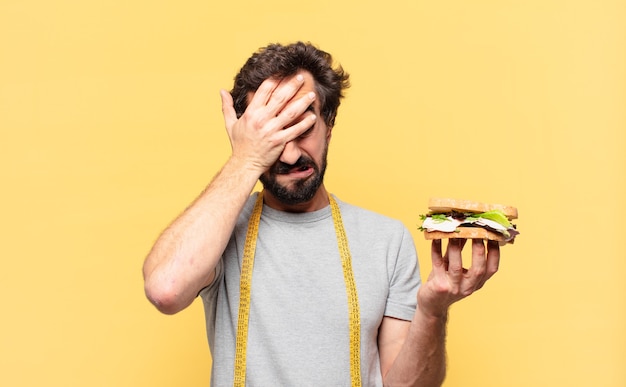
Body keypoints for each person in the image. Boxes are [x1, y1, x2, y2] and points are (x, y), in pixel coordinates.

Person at [142, 41, 500, 386]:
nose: (290, 155)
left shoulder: (386, 241)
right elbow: (166, 289)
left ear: (328, 124)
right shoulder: (219, 234)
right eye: (273, 134)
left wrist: (432, 311)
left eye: (303, 127)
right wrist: (245, 159)